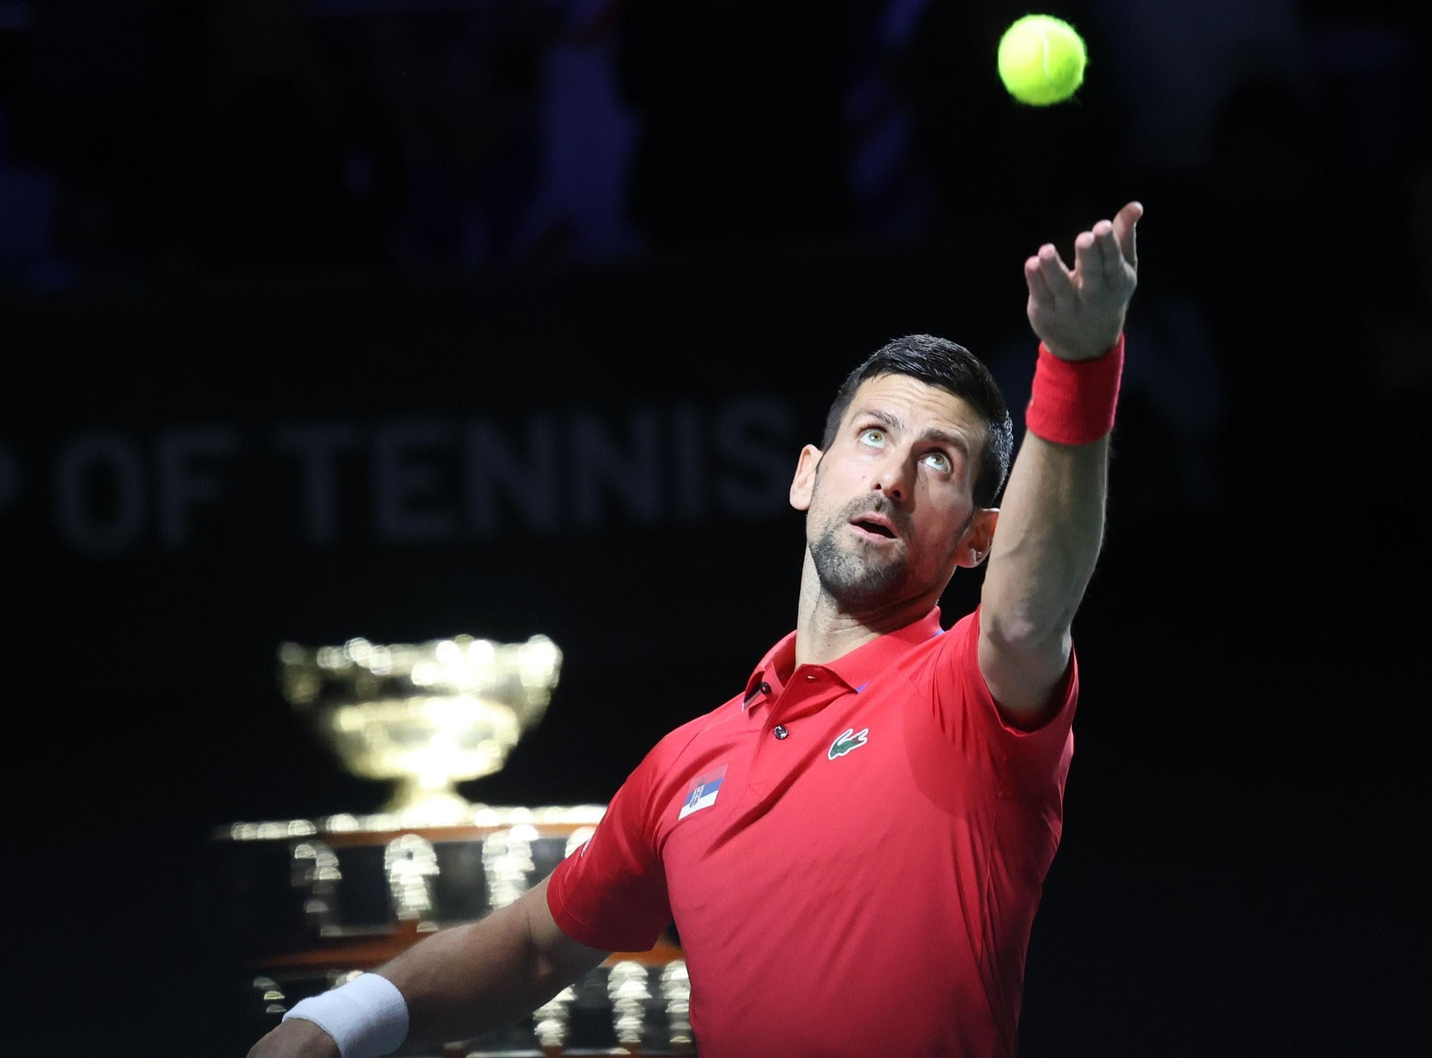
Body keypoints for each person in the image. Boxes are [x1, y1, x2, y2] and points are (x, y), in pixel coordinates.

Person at [248, 201, 1143, 1058]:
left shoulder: (967, 695)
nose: (894, 477)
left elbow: (1028, 610)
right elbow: (530, 945)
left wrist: (1079, 361)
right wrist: (336, 1020)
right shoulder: (689, 764)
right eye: (873, 436)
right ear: (808, 476)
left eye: (937, 461)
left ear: (977, 541)